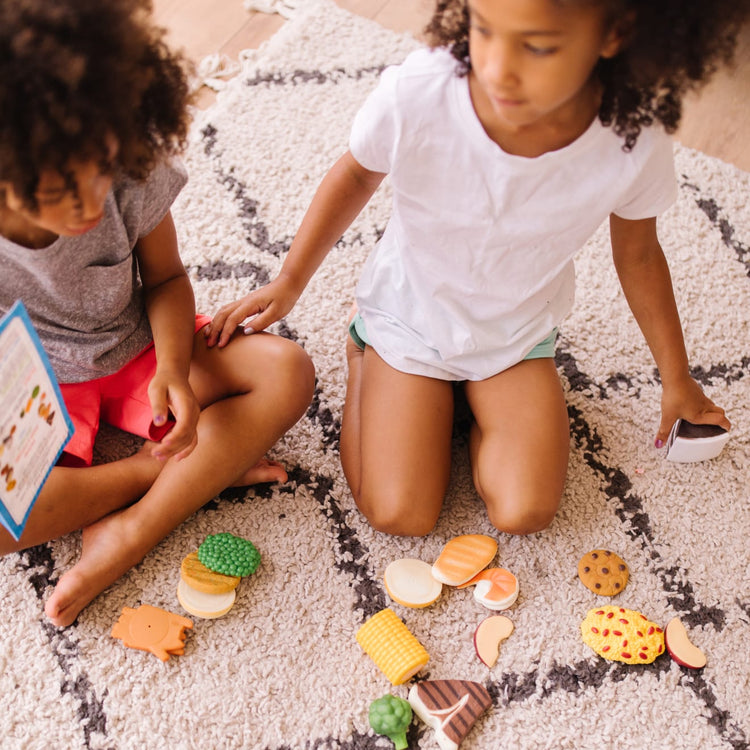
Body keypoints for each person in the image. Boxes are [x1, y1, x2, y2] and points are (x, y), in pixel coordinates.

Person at [207, 0, 741, 538]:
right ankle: (362, 349)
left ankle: (462, 403)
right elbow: (355, 175)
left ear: (614, 34)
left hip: (515, 331)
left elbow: (640, 254)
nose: (497, 68)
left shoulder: (632, 137)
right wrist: (291, 279)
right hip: (409, 317)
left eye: (537, 46)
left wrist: (678, 380)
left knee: (525, 511)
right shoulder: (421, 91)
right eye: (483, 30)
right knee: (399, 514)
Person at [0, 0, 315, 627]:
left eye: (103, 169)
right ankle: (166, 476)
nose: (92, 203)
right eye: (63, 191)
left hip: (138, 346)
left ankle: (130, 533)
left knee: (288, 371)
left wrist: (172, 364)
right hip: (38, 384)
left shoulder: (127, 165)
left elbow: (167, 277)